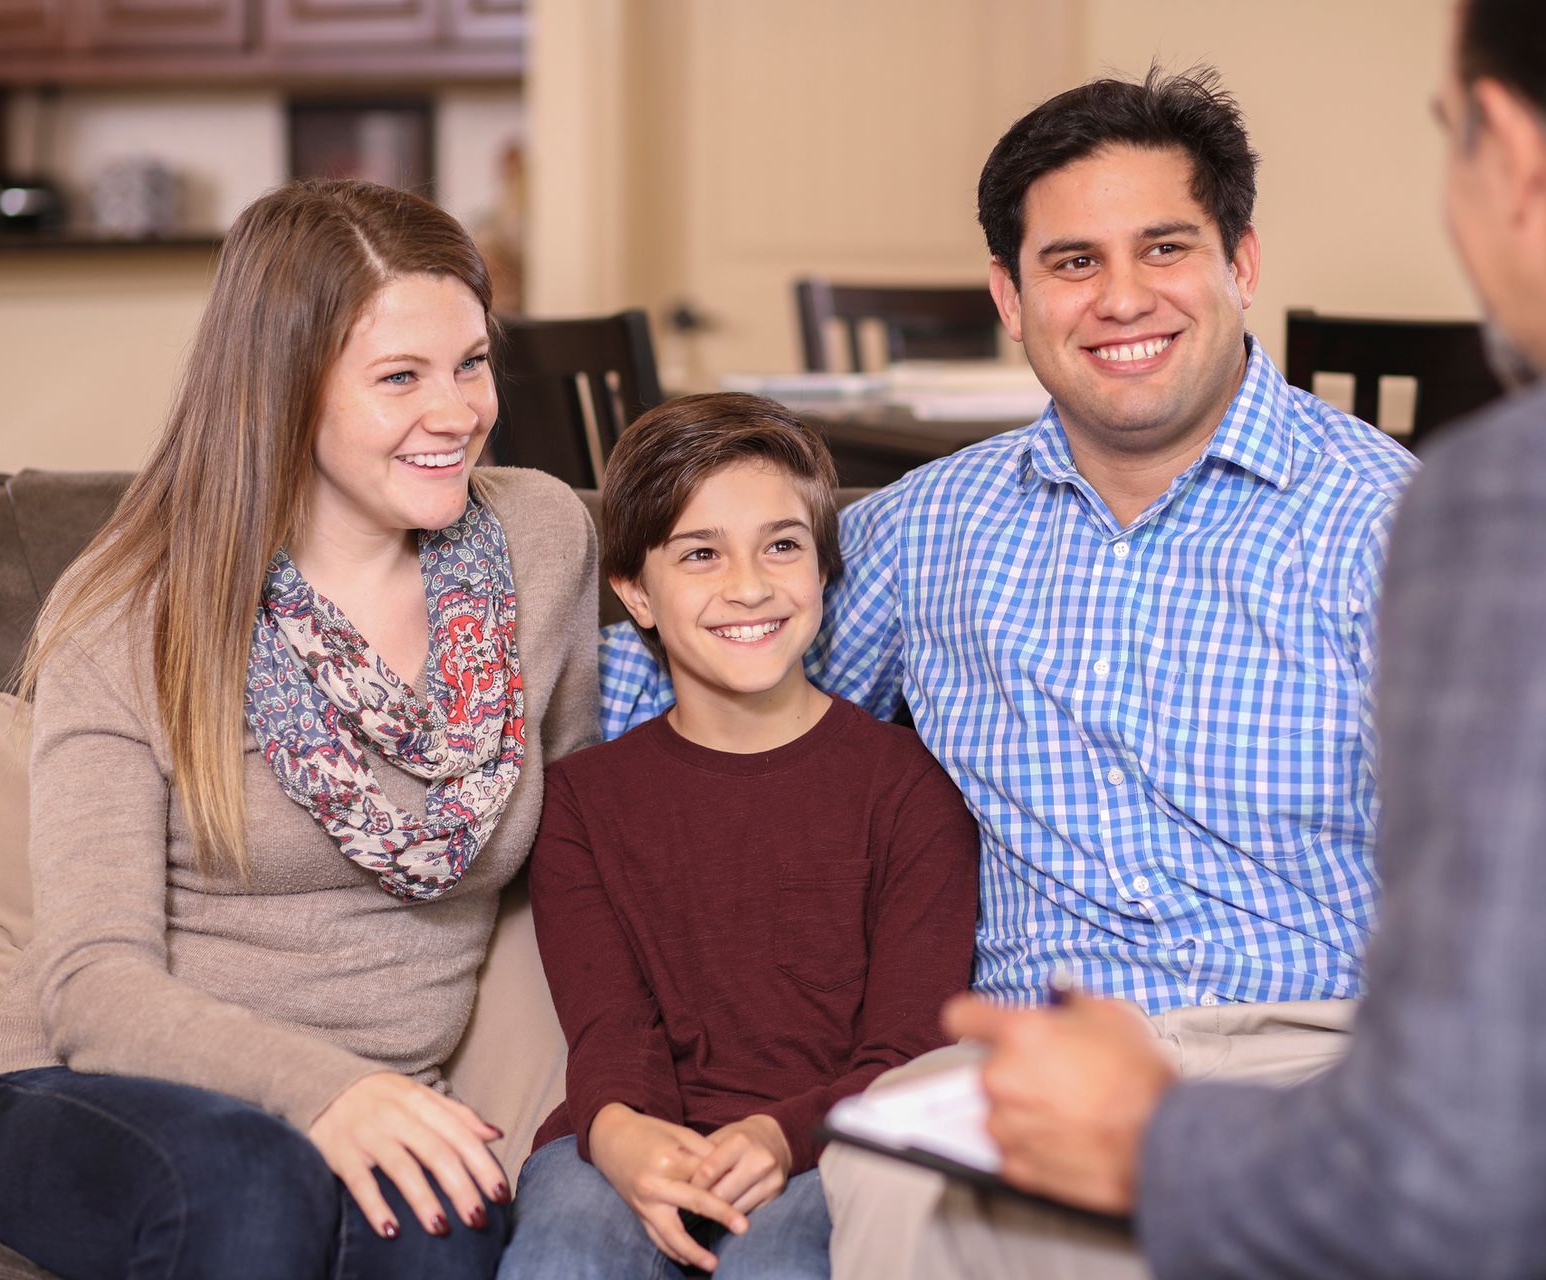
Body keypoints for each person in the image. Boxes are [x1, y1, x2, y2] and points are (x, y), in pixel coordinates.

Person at [946, 0, 1546, 1275]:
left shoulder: (1542, 489)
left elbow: (1460, 1161)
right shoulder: (931, 530)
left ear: (1505, 146)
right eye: (1073, 261)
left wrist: (1152, 1138)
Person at [603, 66, 1417, 1277]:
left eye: (1165, 247)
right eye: (1073, 261)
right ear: (1010, 294)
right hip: (1021, 1052)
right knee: (894, 1164)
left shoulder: (1398, 526)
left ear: (1241, 264)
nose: (1122, 297)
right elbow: (684, 709)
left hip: (1320, 1046)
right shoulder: (924, 532)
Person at [0, 179, 601, 1279]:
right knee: (249, 1176)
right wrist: (326, 1090)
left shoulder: (540, 540)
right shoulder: (136, 607)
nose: (457, 412)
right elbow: (95, 983)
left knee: (450, 1228)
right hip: (77, 1085)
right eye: (399, 377)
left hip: (385, 1098)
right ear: (284, 389)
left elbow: (587, 841)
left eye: (472, 362)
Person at [497, 393, 979, 1280]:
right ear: (636, 592)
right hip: (630, 1134)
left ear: (824, 575)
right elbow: (609, 1030)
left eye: (782, 546)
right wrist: (621, 1135)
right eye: (701, 554)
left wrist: (781, 1134)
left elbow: (911, 1049)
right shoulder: (581, 802)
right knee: (566, 1250)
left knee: (783, 1261)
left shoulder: (913, 788)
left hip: (836, 1140)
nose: (749, 586)